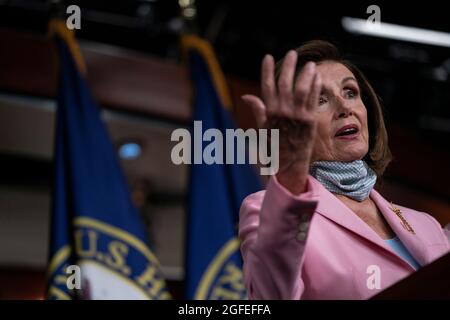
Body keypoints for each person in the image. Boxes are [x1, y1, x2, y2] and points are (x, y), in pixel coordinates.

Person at [239, 40, 450, 299]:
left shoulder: (426, 224)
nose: (344, 107)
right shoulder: (266, 209)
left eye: (350, 92)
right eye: (319, 99)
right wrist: (291, 178)